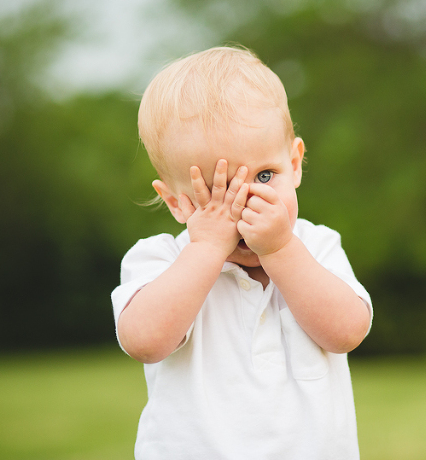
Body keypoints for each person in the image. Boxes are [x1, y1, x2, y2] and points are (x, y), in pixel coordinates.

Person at [111, 46, 373, 459]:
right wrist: (208, 247)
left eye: (265, 176)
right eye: (217, 193)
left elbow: (347, 331)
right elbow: (144, 341)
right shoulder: (159, 260)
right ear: (176, 202)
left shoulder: (316, 246)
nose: (245, 205)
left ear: (296, 162)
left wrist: (282, 248)